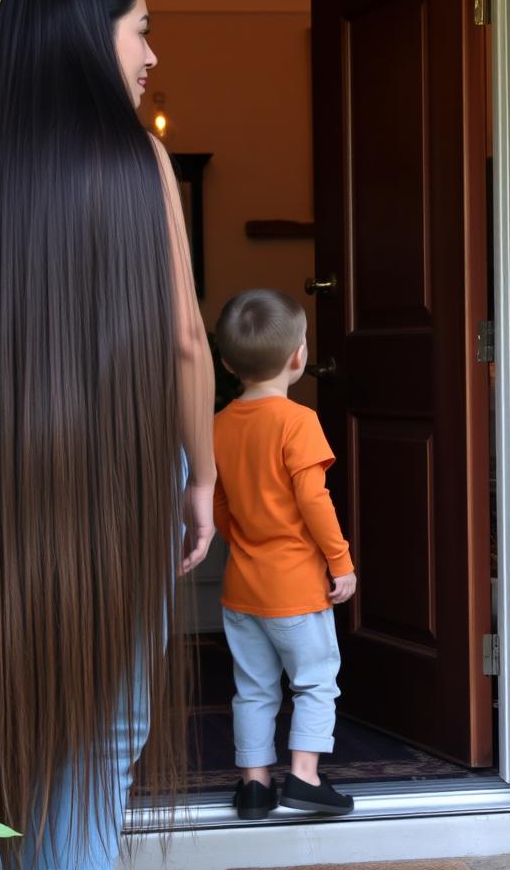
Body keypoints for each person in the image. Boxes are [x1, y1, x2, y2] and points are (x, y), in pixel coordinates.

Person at [0, 0, 216, 869]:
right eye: (143, 30)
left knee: (31, 725)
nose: (152, 56)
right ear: (94, 38)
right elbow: (184, 342)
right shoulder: (140, 161)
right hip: (122, 474)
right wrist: (204, 475)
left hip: (2, 478)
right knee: (102, 743)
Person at [212, 289, 357, 819]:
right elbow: (313, 500)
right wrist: (340, 563)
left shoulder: (220, 424)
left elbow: (220, 501)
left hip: (241, 588)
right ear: (300, 356)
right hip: (296, 588)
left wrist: (243, 542)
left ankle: (253, 785)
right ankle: (303, 776)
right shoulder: (298, 422)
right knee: (315, 680)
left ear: (226, 363)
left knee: (252, 687)